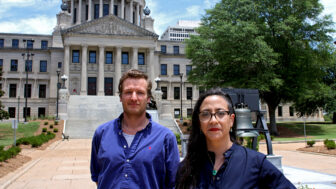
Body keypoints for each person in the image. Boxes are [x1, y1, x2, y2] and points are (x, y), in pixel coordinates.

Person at [176, 88, 295, 189]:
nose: (213, 120)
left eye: (221, 113)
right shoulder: (185, 169)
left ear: (231, 120)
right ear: (199, 122)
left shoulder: (255, 163)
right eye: (206, 114)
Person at [90, 69, 180, 188]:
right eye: (128, 92)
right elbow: (98, 177)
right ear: (120, 96)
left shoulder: (165, 137)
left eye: (140, 93)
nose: (133, 98)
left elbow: (174, 183)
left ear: (148, 98)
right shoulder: (101, 134)